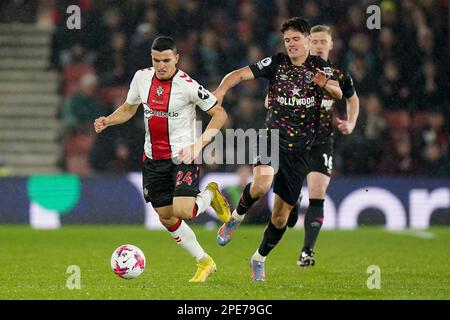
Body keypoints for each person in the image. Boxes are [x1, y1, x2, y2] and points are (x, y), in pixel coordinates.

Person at [213, 17, 342, 281]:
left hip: (300, 150)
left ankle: (258, 258)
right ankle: (235, 219)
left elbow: (338, 93)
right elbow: (237, 74)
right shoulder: (276, 63)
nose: (291, 44)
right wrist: (220, 91)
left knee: (281, 217)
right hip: (271, 137)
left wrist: (325, 85)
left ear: (307, 40)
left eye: (296, 39)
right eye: (287, 40)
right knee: (260, 185)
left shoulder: (320, 67)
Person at [93, 36, 231, 283]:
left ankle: (210, 193)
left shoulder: (188, 85)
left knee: (183, 210)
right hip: (153, 159)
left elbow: (220, 114)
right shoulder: (141, 78)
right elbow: (128, 108)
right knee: (166, 216)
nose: (161, 65)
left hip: (183, 156)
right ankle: (204, 262)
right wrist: (108, 121)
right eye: (156, 60)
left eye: (166, 60)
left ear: (177, 58)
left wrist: (198, 144)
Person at [286, 25, 359, 268]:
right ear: (307, 43)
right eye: (314, 40)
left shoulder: (338, 74)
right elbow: (272, 97)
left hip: (322, 140)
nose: (318, 45)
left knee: (317, 192)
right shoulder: (295, 70)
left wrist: (351, 122)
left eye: (322, 41)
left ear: (330, 45)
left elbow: (352, 98)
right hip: (295, 139)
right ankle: (293, 201)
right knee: (292, 192)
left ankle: (307, 250)